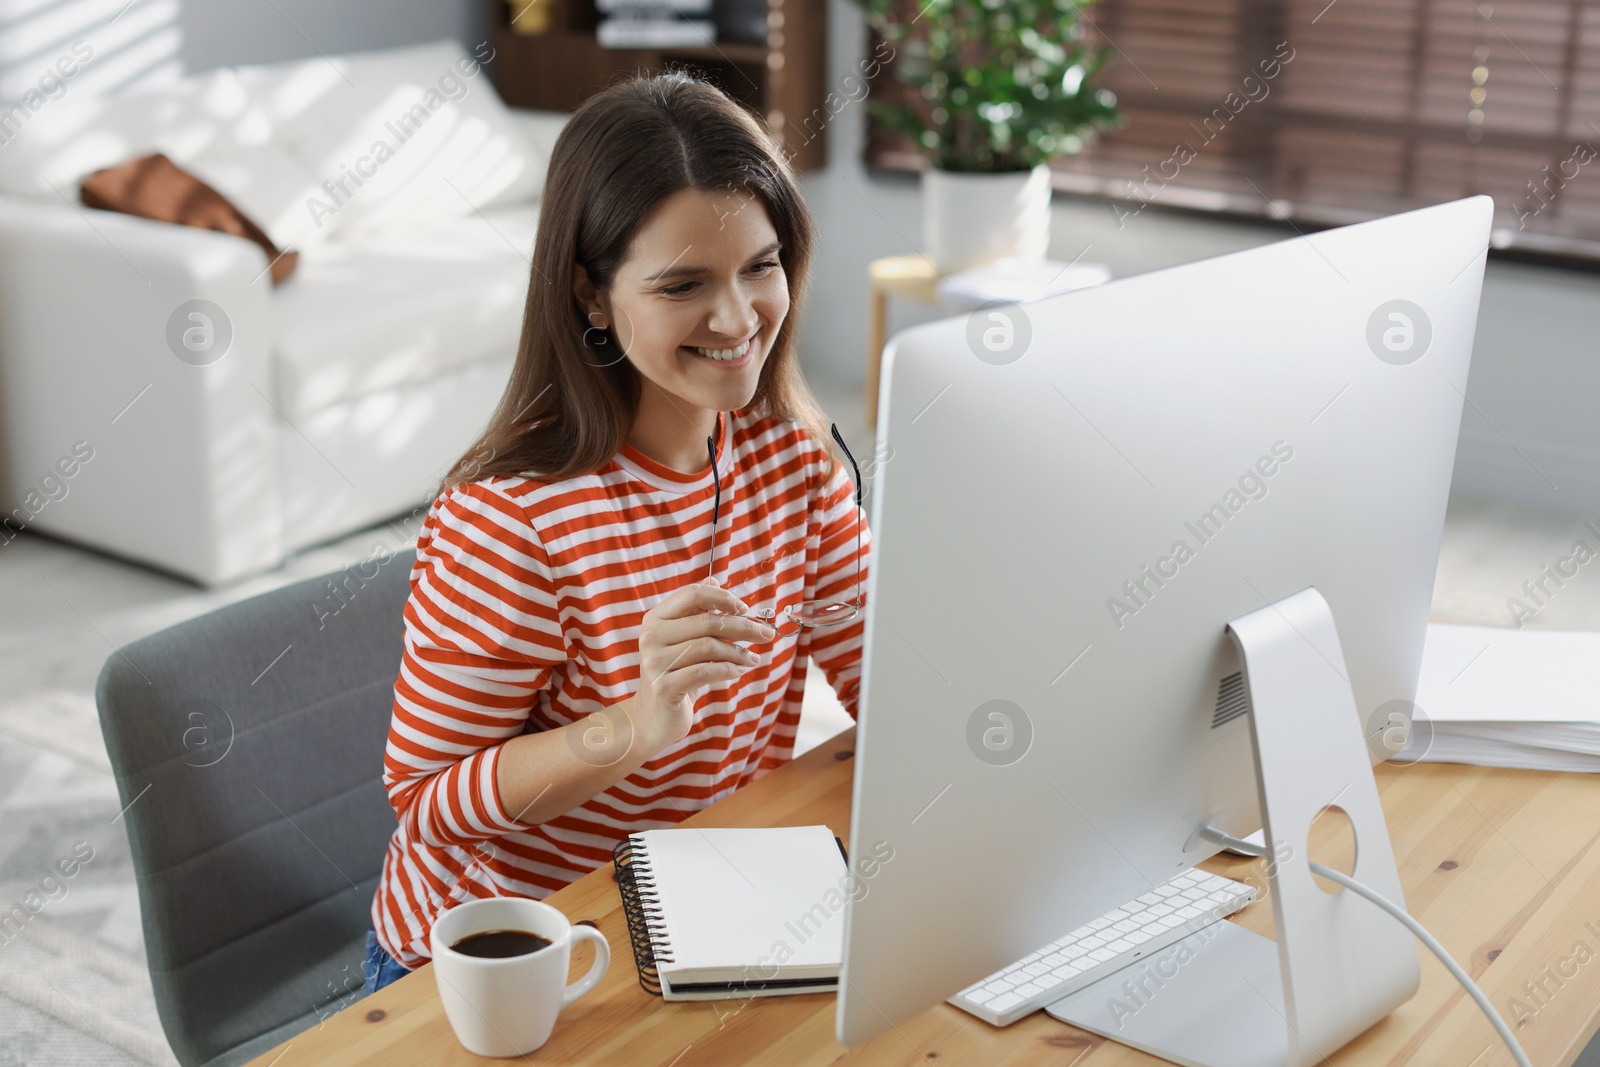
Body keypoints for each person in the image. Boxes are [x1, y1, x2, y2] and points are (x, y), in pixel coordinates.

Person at [362, 70, 869, 993]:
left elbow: (884, 676)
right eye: (683, 284)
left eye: (761, 266)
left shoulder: (794, 458)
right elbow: (426, 801)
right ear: (592, 296)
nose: (737, 317)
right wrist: (632, 727)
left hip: (707, 903)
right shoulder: (511, 518)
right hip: (504, 963)